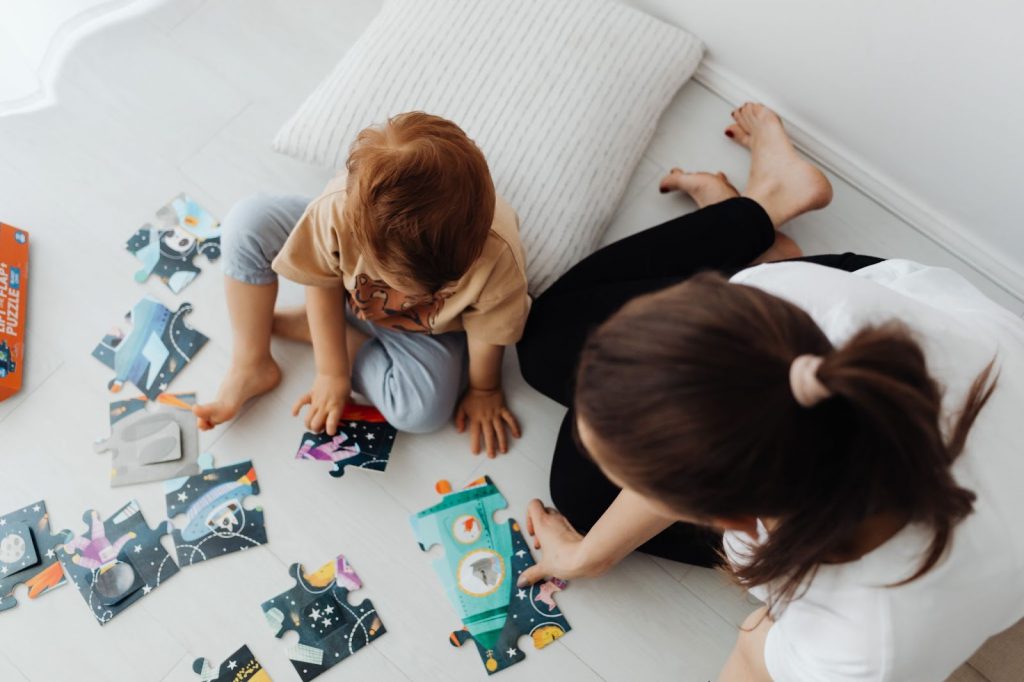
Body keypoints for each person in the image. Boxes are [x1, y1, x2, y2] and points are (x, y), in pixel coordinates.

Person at [516, 103, 1024, 680]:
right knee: (546, 347)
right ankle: (766, 206)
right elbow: (717, 421)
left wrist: (592, 551)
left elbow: (754, 657)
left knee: (581, 487)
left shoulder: (859, 640)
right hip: (861, 306)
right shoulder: (792, 308)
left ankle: (763, 209)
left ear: (732, 519)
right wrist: (590, 555)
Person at [194, 112, 527, 456]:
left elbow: (490, 330)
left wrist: (485, 389)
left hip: (427, 330)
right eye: (391, 281)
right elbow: (321, 278)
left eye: (420, 292)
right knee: (247, 222)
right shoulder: (338, 207)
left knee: (421, 412)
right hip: (343, 280)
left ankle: (326, 329)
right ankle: (252, 361)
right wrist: (331, 372)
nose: (400, 298)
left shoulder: (499, 254)